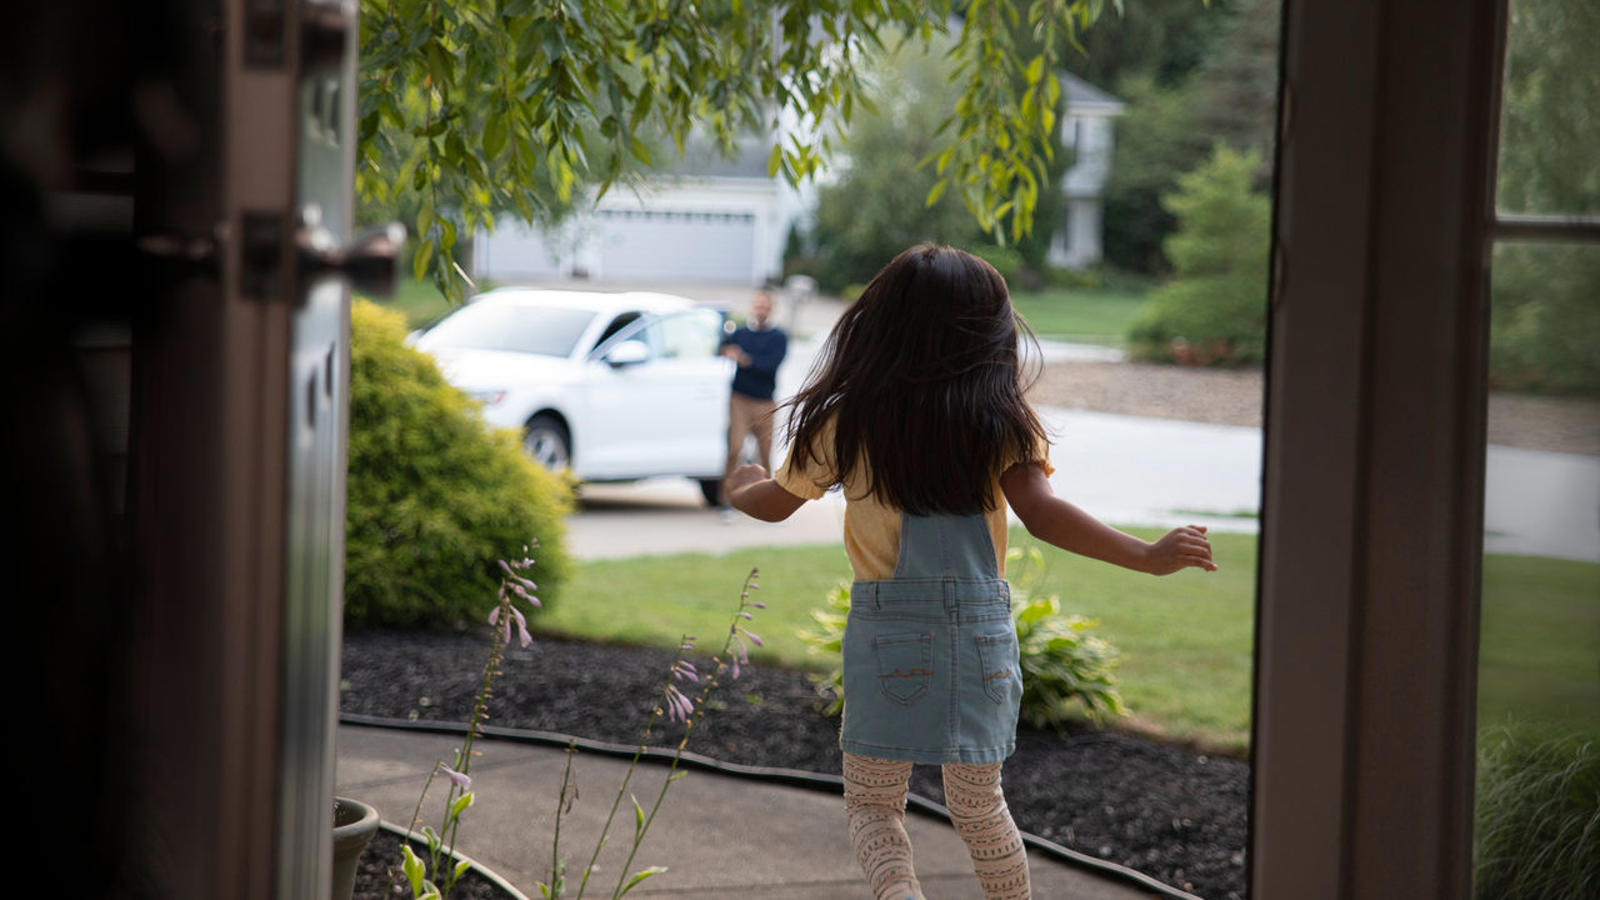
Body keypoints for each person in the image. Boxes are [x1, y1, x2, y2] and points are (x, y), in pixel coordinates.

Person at [725, 245, 1217, 900]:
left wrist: (742, 488)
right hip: (980, 639)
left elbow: (776, 506)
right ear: (991, 333)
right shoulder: (1001, 421)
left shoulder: (849, 418)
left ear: (881, 325)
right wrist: (1149, 556)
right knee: (980, 806)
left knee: (875, 806)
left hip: (889, 634)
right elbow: (1044, 516)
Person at [718, 289, 788, 508]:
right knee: (735, 449)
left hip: (765, 402)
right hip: (740, 399)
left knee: (765, 454)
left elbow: (769, 366)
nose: (761, 309)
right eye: (758, 305)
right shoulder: (739, 334)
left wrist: (746, 360)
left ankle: (766, 503)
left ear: (771, 308)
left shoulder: (779, 337)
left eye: (765, 306)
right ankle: (727, 500)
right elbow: (723, 352)